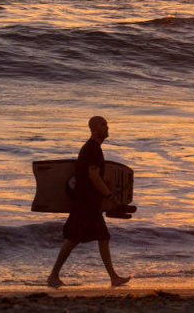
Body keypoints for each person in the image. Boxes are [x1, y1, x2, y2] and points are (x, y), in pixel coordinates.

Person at [47, 116, 131, 288]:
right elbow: (93, 175)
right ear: (93, 128)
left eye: (107, 124)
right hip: (85, 203)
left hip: (90, 203)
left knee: (101, 236)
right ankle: (53, 276)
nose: (107, 127)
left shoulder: (93, 148)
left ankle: (113, 277)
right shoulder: (92, 149)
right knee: (74, 238)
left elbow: (96, 175)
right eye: (103, 125)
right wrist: (109, 195)